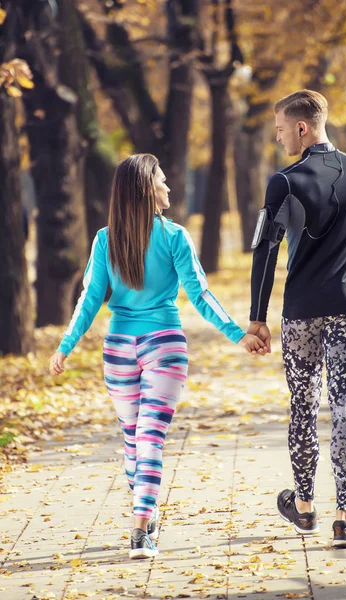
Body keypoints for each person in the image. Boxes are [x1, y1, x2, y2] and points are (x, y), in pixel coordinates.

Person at [49, 154, 267, 560]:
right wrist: (237, 335)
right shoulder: (173, 236)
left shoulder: (105, 239)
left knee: (139, 439)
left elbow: (89, 300)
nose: (169, 188)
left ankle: (139, 525)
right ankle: (144, 523)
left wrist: (66, 345)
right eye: (163, 181)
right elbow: (200, 294)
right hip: (164, 344)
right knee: (142, 440)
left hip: (118, 349)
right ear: (148, 189)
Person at [247, 90, 346, 548]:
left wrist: (257, 318)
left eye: (280, 129)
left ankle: (306, 507)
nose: (278, 137)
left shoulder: (284, 182)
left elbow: (265, 253)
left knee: (304, 406)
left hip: (301, 313)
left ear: (302, 128)